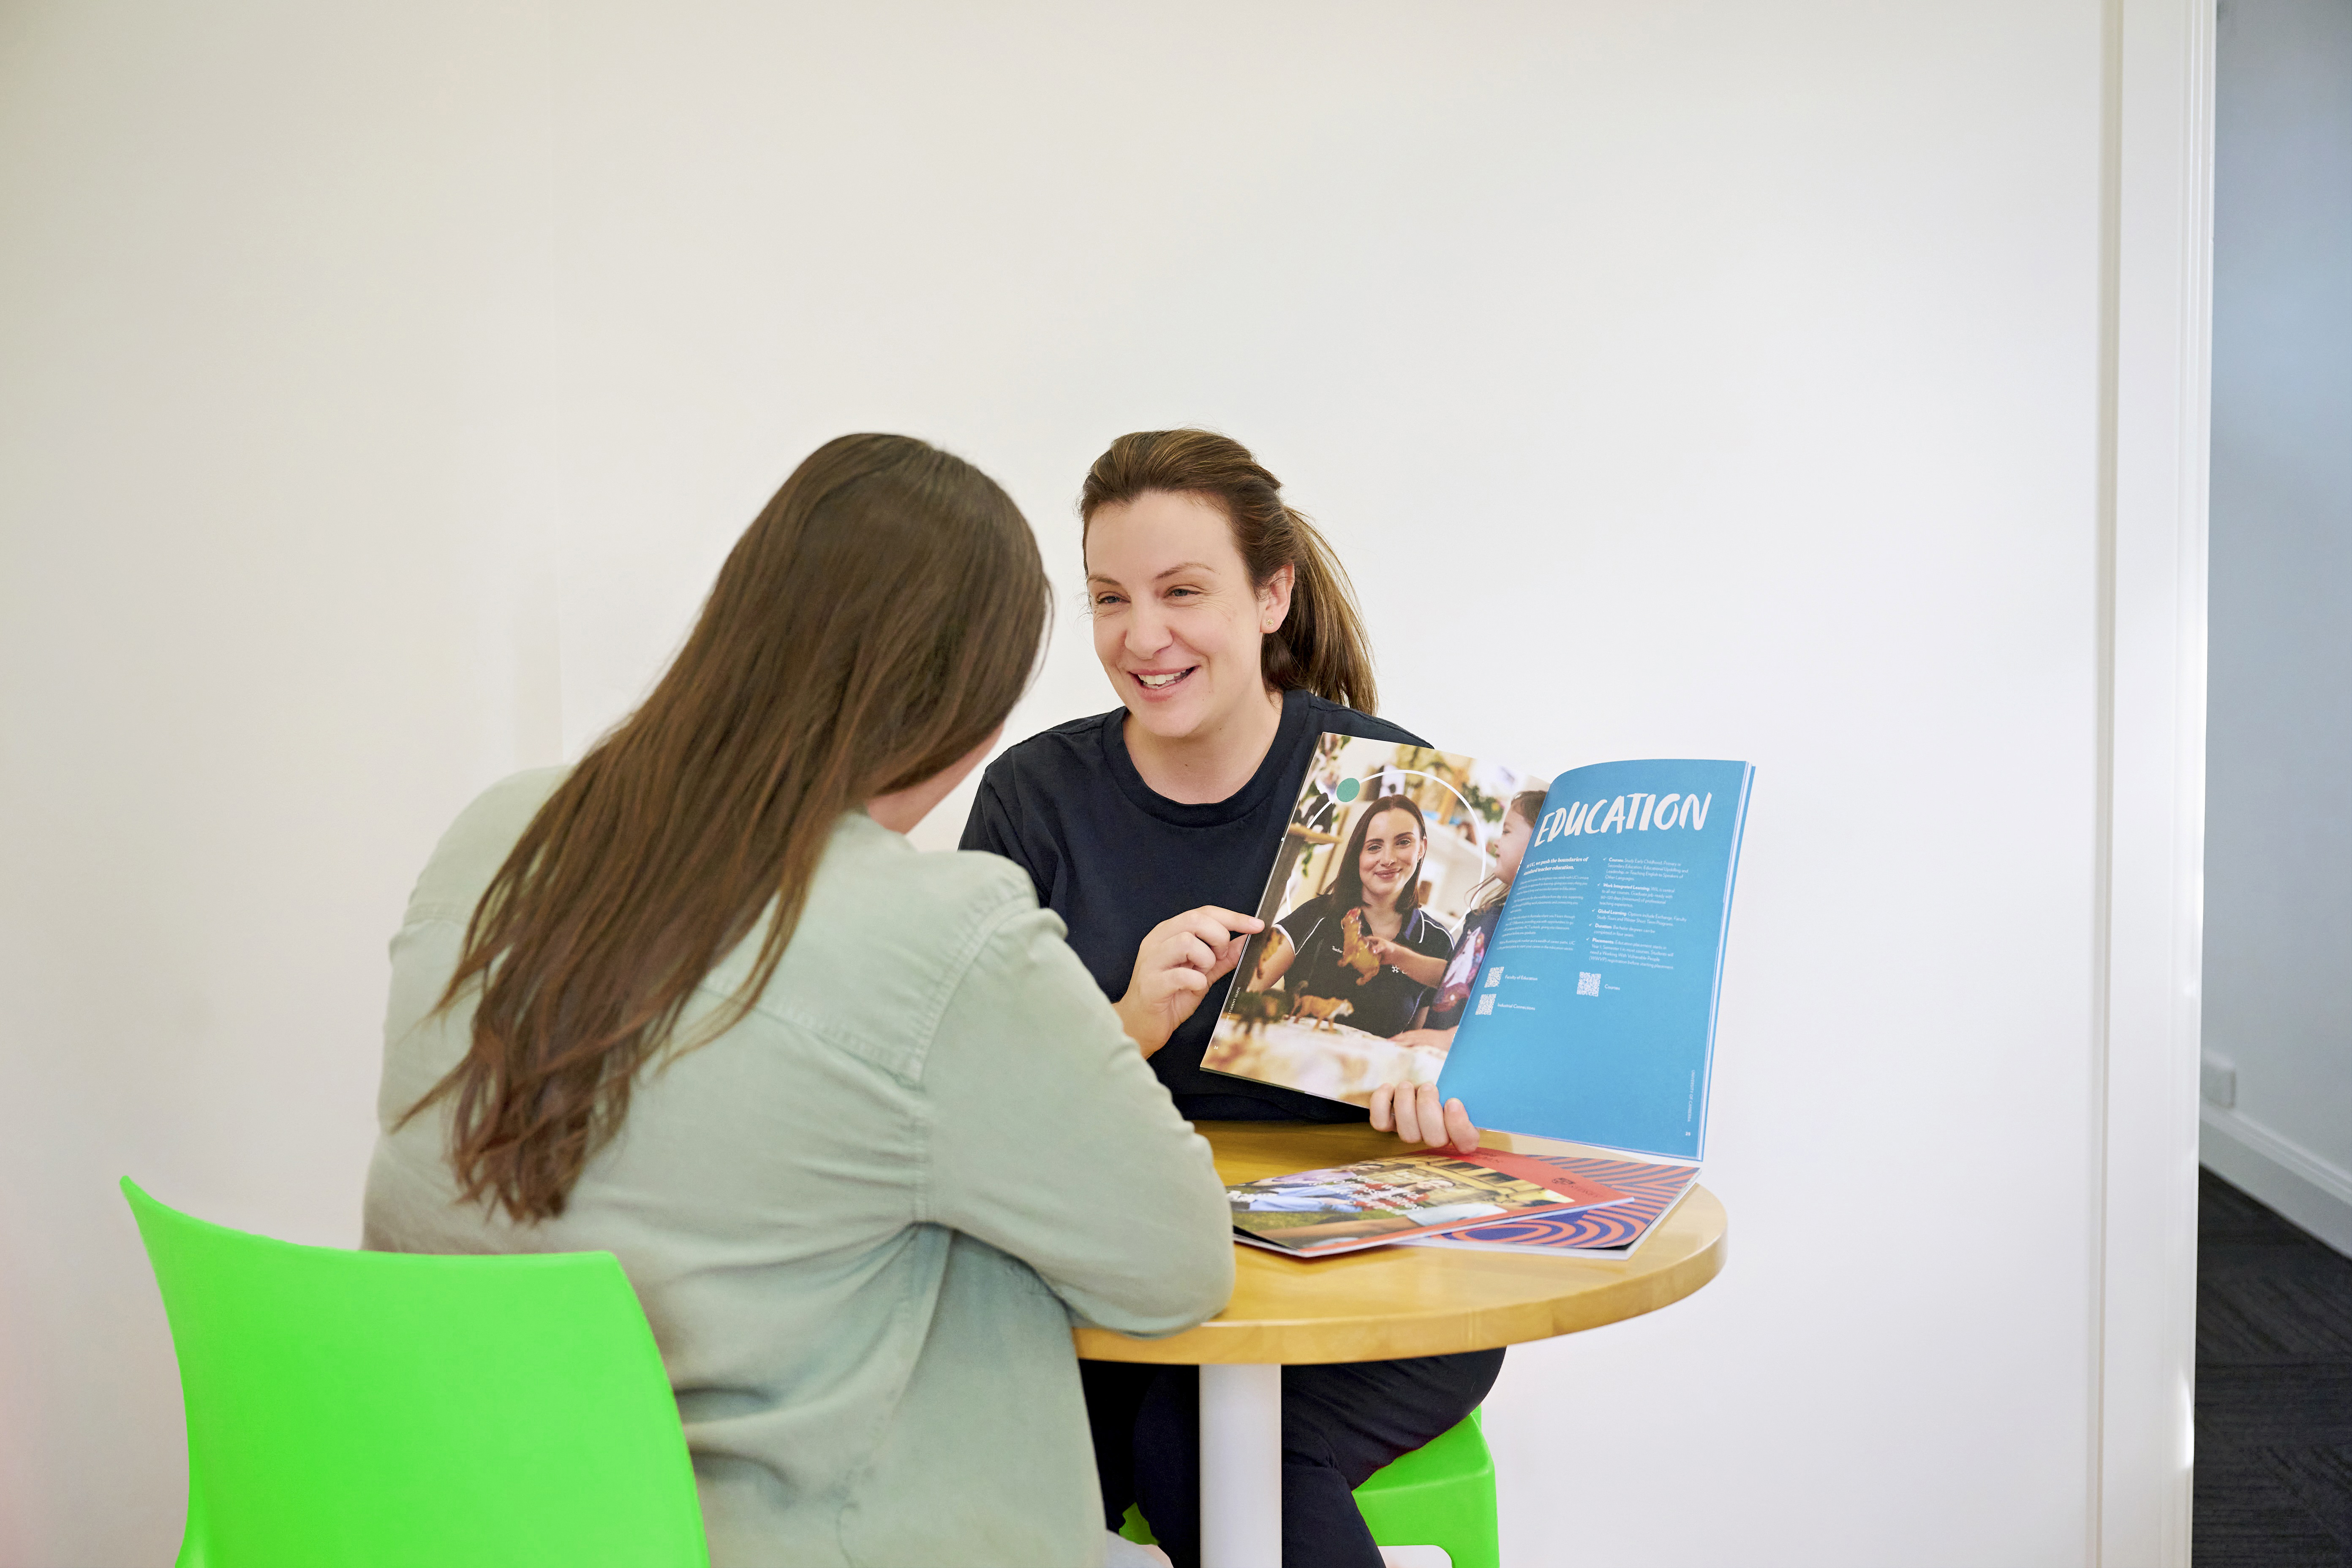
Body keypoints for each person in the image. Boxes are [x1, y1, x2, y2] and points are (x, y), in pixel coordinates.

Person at [363, 435, 1234, 1568]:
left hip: (455, 1518)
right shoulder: (944, 931)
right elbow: (1177, 1266)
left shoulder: (500, 831)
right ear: (969, 714)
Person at [960, 429, 1500, 1568]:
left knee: (1205, 1447)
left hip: (1366, 1282)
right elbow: (975, 1116)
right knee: (1013, 1483)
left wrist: (1454, 1089)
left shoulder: (1393, 789)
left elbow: (1488, 1076)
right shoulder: (1034, 800)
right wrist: (1124, 1029)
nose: (1140, 637)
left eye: (1181, 592)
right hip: (1113, 1279)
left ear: (1271, 595)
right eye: (1111, 598)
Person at [1247, 793, 1457, 1037]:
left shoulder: (1438, 943)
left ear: (1421, 848)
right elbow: (1246, 989)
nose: (1388, 859)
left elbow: (1416, 1044)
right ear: (1358, 854)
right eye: (1374, 847)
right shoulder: (1317, 915)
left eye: (1403, 842)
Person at [1392, 785, 1549, 1048]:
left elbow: (1512, 1004)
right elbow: (1457, 976)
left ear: (1541, 842)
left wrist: (1449, 1039)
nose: (1497, 842)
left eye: (1507, 832)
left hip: (1461, 1051)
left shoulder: (1529, 926)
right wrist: (1397, 956)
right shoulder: (1489, 913)